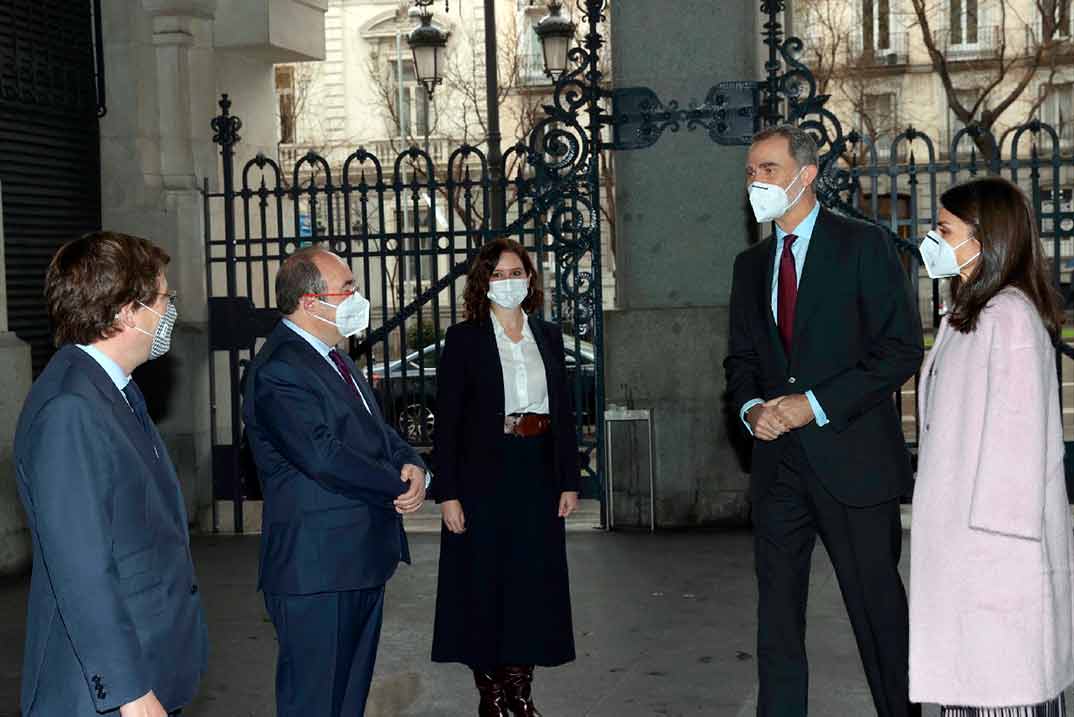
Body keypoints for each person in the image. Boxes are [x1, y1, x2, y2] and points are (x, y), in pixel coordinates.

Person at [724, 125, 924, 716]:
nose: (754, 182)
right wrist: (751, 409)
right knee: (777, 623)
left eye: (766, 169)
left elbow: (899, 349)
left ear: (805, 175)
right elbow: (740, 362)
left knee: (878, 614)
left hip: (854, 464)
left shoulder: (863, 244)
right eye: (750, 172)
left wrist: (812, 403)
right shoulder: (749, 265)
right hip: (778, 470)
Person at [13, 231, 207, 717]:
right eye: (164, 299)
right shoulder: (71, 408)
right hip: (102, 693)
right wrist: (128, 690)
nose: (169, 313)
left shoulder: (112, 388)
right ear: (125, 311)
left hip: (147, 661)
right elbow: (81, 568)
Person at [910, 177, 1074, 716]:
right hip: (968, 555)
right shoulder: (971, 313)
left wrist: (995, 567)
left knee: (1003, 694)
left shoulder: (1009, 319)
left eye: (944, 229)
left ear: (986, 238)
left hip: (995, 558)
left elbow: (1016, 452)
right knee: (973, 693)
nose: (931, 239)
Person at [242, 246, 428, 717]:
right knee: (315, 702)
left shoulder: (334, 359)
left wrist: (413, 464)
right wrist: (394, 485)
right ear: (310, 301)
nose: (356, 298)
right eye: (348, 289)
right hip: (318, 569)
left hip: (358, 560)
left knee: (346, 702)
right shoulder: (280, 368)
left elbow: (376, 430)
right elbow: (323, 455)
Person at [431, 238, 579, 717]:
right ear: (483, 283)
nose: (508, 282)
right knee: (483, 582)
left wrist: (568, 480)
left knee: (530, 583)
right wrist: (448, 494)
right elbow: (448, 422)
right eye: (497, 275)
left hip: (537, 470)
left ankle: (521, 690)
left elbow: (565, 412)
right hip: (482, 475)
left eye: (516, 273)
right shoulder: (465, 339)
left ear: (531, 279)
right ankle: (490, 694)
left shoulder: (550, 336)